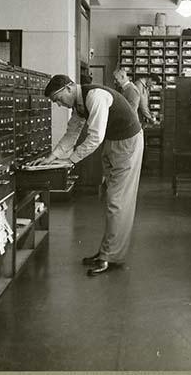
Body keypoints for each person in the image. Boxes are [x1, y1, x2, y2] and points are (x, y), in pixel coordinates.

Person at [35, 75, 144, 276]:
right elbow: (71, 134)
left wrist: (71, 160)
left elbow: (95, 137)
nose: (59, 105)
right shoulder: (78, 104)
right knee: (113, 201)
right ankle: (107, 252)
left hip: (127, 143)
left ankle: (110, 257)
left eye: (58, 99)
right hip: (114, 143)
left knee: (118, 202)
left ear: (68, 88)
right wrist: (52, 157)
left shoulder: (95, 96)